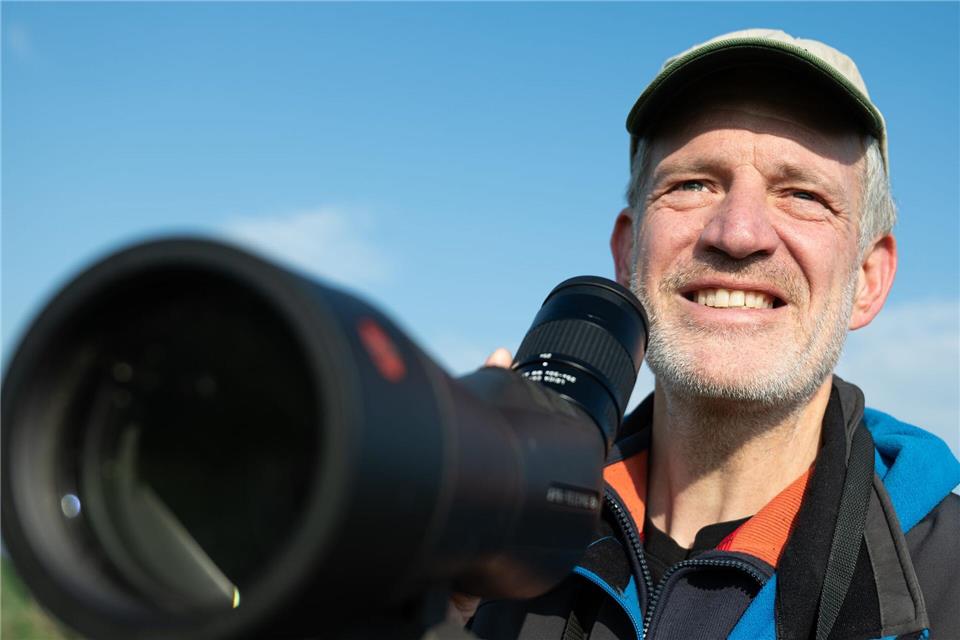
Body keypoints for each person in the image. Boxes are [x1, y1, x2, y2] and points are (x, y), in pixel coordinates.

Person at [464, 29, 960, 639]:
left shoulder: (946, 579)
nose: (737, 232)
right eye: (693, 184)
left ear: (867, 278)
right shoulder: (493, 542)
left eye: (802, 194)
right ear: (627, 254)